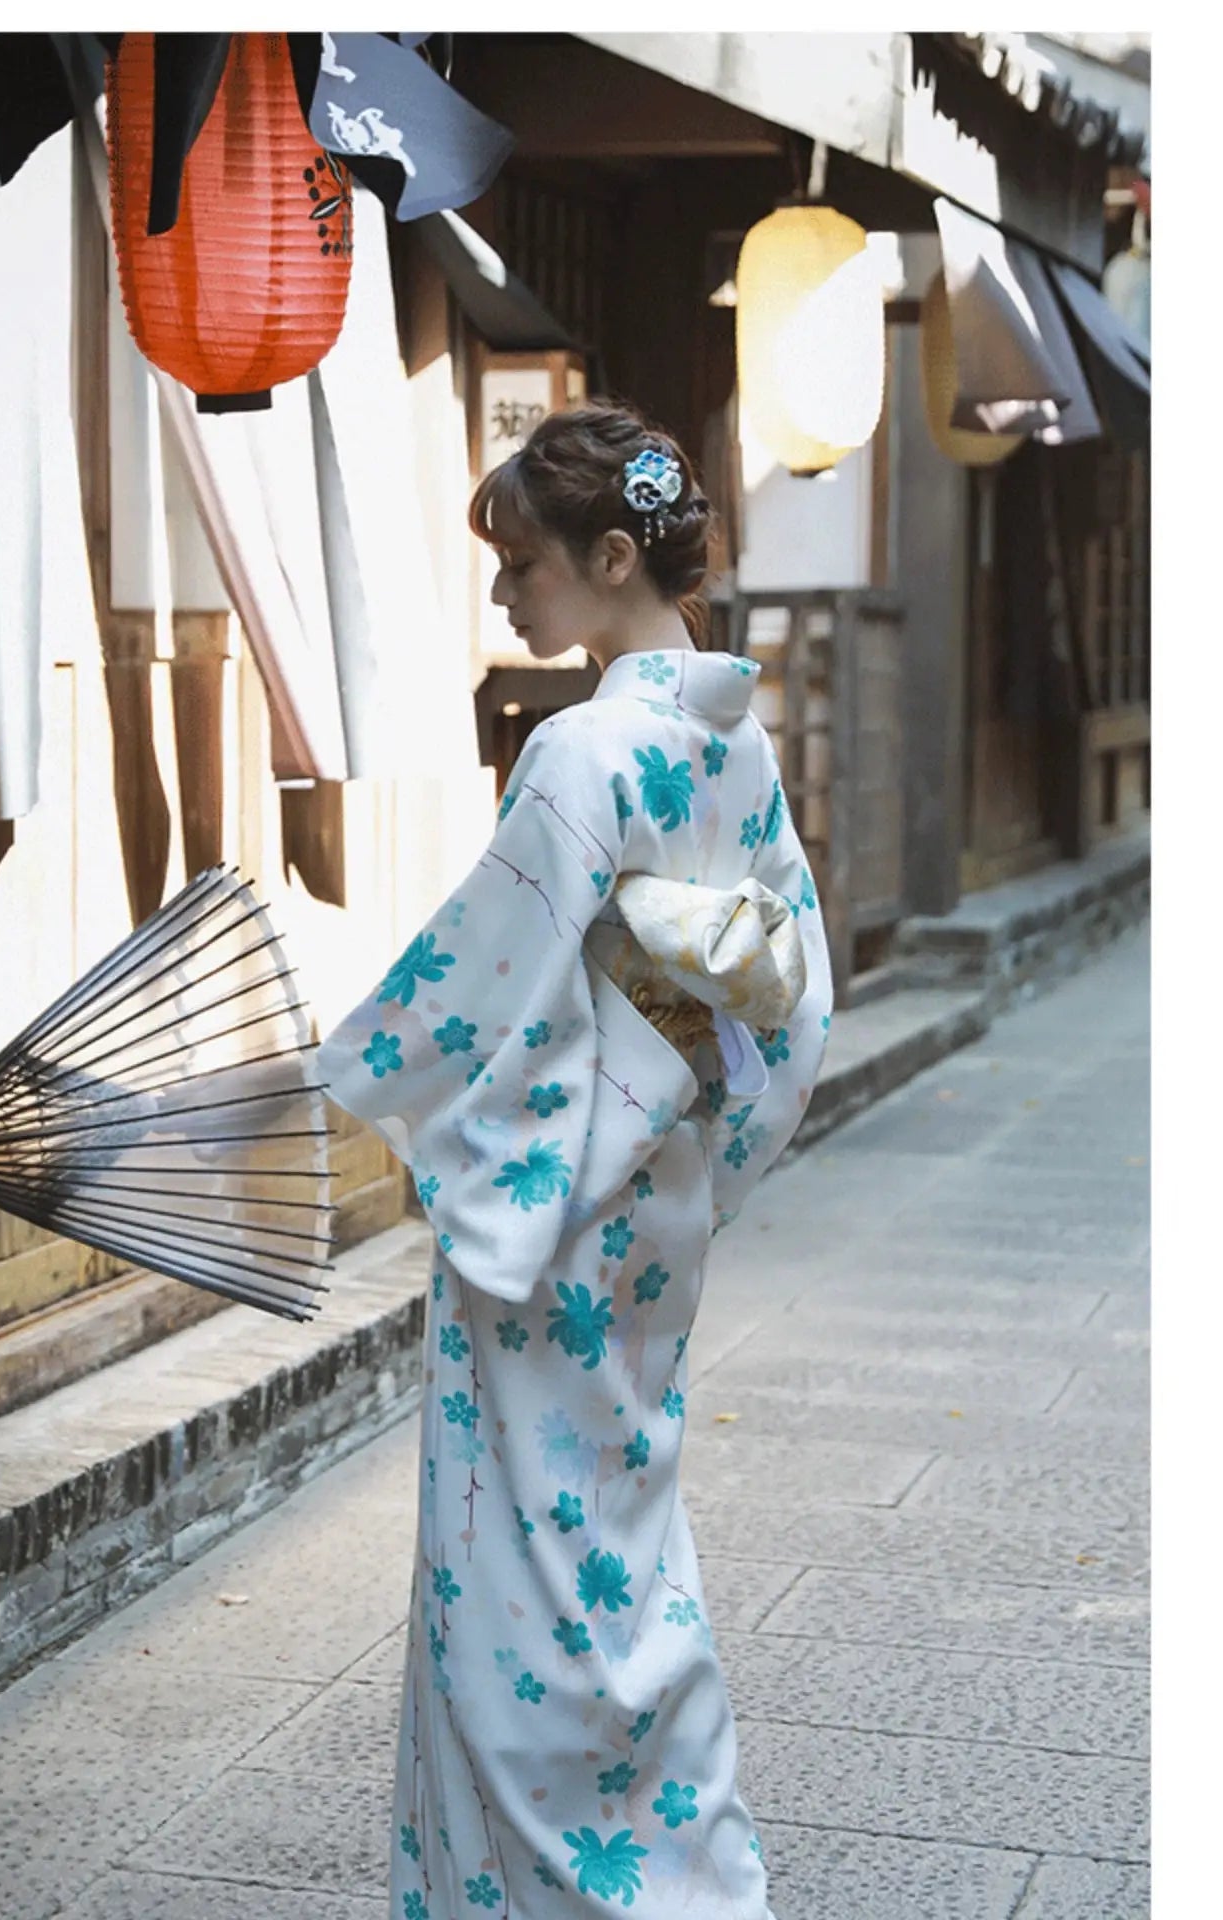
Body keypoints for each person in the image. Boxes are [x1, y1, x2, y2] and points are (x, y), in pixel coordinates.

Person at [318, 402, 831, 1919]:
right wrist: (696, 1166)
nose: (503, 596)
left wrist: (350, 1082)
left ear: (614, 558)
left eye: (523, 566)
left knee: (512, 1588)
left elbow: (489, 981)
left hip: (544, 1219)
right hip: (647, 1208)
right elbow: (784, 997)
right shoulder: (731, 737)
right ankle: (683, 1860)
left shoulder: (580, 745)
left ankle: (546, 1894)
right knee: (619, 1547)